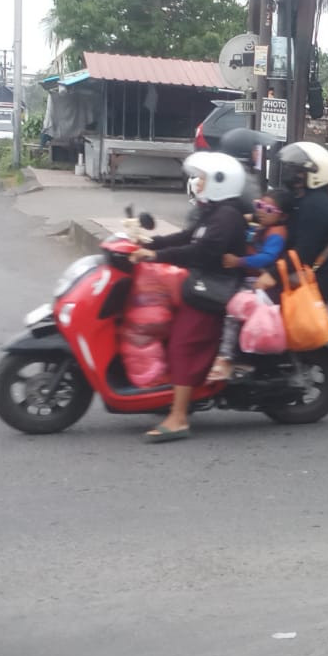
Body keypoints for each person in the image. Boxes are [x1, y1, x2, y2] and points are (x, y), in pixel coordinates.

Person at [129, 152, 249, 443]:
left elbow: (202, 252)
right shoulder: (215, 213)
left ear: (221, 182)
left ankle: (179, 417)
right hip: (201, 284)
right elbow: (187, 237)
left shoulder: (228, 217)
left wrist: (156, 255)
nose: (196, 182)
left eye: (203, 178)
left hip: (213, 291)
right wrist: (149, 242)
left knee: (183, 345)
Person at [206, 191, 290, 383]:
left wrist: (239, 261)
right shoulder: (262, 226)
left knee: (232, 311)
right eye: (260, 206)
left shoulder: (277, 234)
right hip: (249, 277)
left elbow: (268, 257)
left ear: (281, 215)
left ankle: (226, 358)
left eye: (269, 209)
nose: (262, 212)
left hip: (260, 283)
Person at [276, 141, 328, 309]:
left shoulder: (315, 205)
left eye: (299, 171)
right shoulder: (302, 198)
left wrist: (272, 274)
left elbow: (303, 252)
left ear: (315, 173)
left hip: (321, 277)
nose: (292, 174)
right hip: (304, 269)